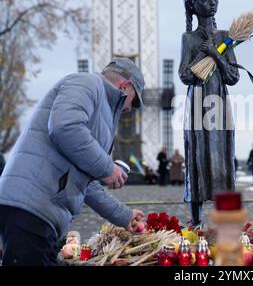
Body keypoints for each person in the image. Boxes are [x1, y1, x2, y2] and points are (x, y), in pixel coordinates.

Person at [0, 58, 146, 266]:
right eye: (134, 100)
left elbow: (87, 184)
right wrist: (107, 167)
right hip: (31, 207)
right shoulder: (87, 83)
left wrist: (124, 215)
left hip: (40, 211)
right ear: (125, 86)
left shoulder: (99, 107)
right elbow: (65, 127)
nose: (131, 108)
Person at [179, 0, 239, 228]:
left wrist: (216, 55)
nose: (212, 2)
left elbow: (233, 76)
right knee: (198, 156)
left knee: (223, 157)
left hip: (220, 105)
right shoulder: (189, 39)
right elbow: (184, 75)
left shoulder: (226, 37)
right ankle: (196, 220)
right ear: (192, 4)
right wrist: (201, 57)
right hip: (197, 106)